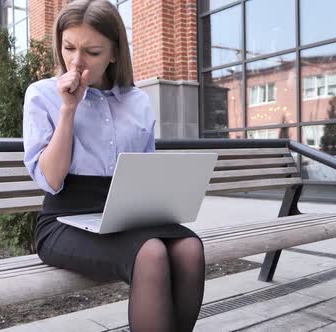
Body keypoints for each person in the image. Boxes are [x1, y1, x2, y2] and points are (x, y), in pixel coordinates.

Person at [22, 1, 205, 331]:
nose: (76, 62)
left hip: (127, 216)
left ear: (114, 54)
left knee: (190, 248)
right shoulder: (42, 95)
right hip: (64, 220)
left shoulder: (137, 101)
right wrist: (68, 110)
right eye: (68, 48)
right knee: (150, 254)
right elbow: (50, 180)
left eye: (91, 51)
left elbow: (146, 172)